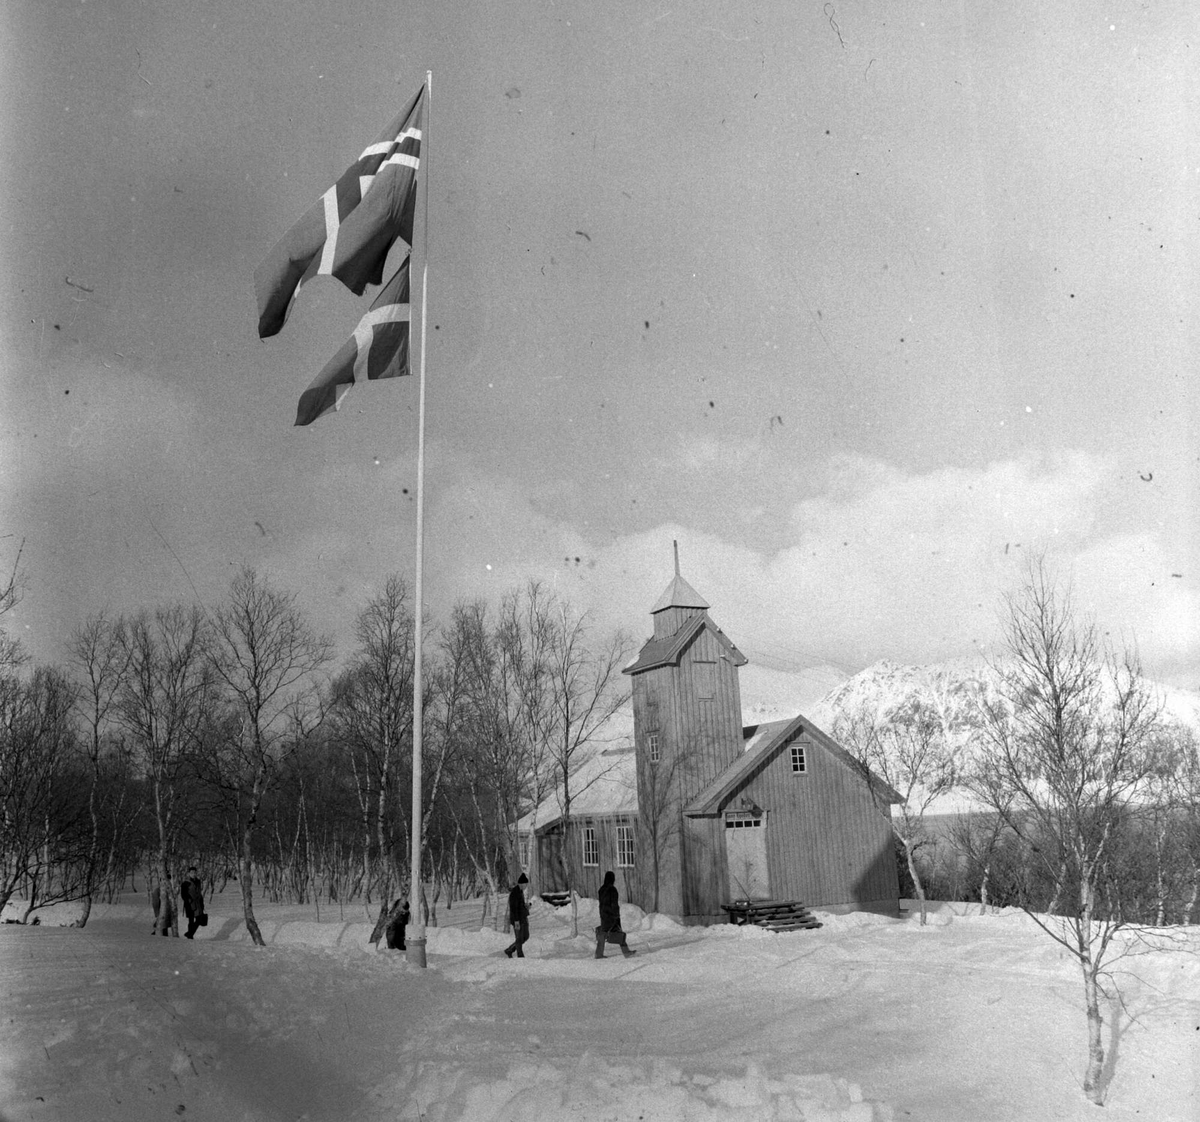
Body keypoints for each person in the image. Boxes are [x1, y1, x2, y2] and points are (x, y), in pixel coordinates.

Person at [595, 870, 636, 959]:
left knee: (603, 934)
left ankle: (598, 954)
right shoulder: (612, 889)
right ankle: (627, 952)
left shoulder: (601, 889)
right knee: (619, 933)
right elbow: (614, 904)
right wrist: (616, 916)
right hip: (611, 916)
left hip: (603, 915)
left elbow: (601, 903)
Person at [503, 873, 530, 958]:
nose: (526, 886)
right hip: (517, 919)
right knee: (519, 938)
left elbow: (519, 905)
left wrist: (526, 906)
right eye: (525, 884)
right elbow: (514, 908)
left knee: (525, 936)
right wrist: (516, 921)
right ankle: (520, 956)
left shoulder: (520, 891)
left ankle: (510, 950)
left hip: (523, 917)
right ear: (521, 884)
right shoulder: (515, 893)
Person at [180, 867, 206, 939]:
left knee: (198, 920)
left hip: (198, 903)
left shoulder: (198, 881)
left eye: (194, 872)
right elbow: (183, 895)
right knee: (191, 920)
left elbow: (199, 893)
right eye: (191, 873)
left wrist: (202, 903)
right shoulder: (185, 883)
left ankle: (189, 933)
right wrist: (188, 901)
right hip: (189, 904)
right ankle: (190, 936)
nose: (193, 874)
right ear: (188, 873)